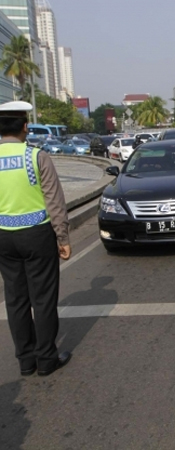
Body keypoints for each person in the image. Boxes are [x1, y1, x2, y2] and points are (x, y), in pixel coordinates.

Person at [0, 101, 72, 377]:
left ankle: (26, 360)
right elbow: (54, 201)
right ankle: (46, 358)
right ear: (25, 126)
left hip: (4, 237)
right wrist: (62, 237)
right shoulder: (36, 157)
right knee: (42, 298)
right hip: (37, 234)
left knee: (15, 298)